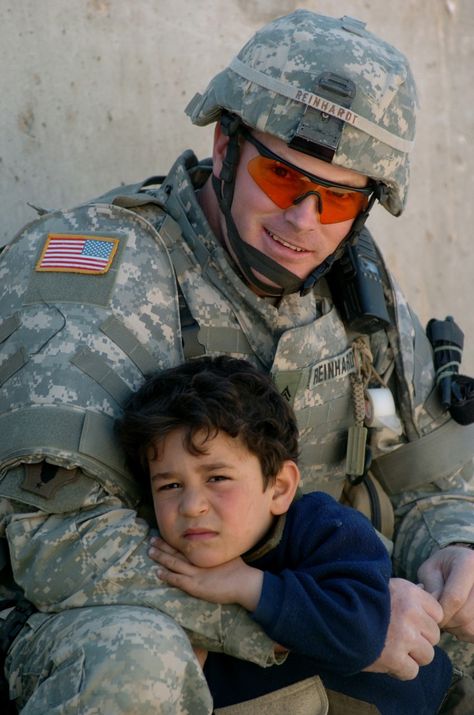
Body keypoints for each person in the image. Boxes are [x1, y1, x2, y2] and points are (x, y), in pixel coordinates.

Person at [0, 7, 474, 714]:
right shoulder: (100, 270)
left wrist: (453, 551)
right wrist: (307, 624)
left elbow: (431, 477)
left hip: (300, 598)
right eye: (282, 178)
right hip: (98, 618)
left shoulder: (352, 287)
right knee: (139, 662)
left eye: (339, 197)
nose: (303, 220)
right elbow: (62, 546)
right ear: (225, 146)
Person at [117, 353, 453, 715]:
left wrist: (249, 586)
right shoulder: (159, 555)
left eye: (217, 478)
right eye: (170, 485)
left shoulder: (327, 531)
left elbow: (364, 635)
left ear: (279, 487)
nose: (191, 505)